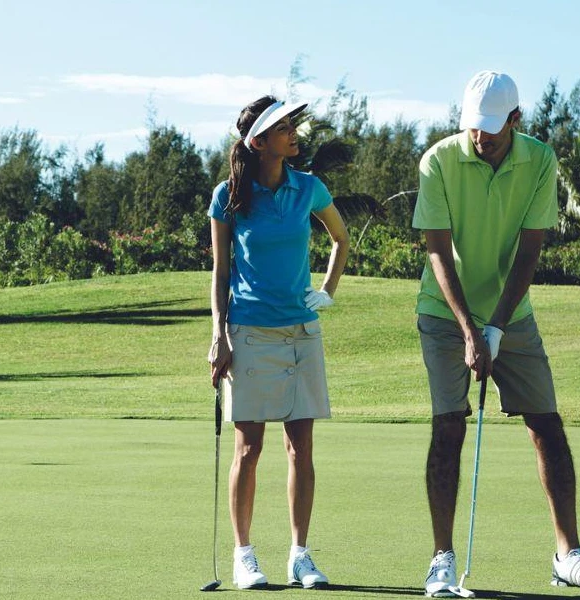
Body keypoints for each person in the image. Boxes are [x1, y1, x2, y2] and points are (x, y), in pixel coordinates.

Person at [412, 70, 580, 595]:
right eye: (472, 127)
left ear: (515, 118)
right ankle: (441, 559)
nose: (479, 137)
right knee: (448, 426)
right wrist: (469, 330)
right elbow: (438, 249)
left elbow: (530, 250)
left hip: (512, 310)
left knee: (546, 423)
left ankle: (568, 555)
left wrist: (498, 327)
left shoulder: (540, 160)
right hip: (445, 312)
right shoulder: (438, 160)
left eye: (490, 127)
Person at [207, 95, 350, 590]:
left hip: (301, 334)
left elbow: (340, 238)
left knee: (300, 449)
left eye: (293, 125)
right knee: (248, 449)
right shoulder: (229, 195)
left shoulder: (308, 187)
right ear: (259, 142)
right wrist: (218, 336)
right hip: (248, 332)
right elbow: (221, 272)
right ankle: (244, 555)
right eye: (283, 127)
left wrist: (326, 292)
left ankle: (299, 555)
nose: (294, 133)